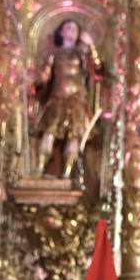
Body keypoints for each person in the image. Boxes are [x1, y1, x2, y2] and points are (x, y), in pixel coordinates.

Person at [33, 19, 103, 178]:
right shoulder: (54, 54)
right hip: (57, 97)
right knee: (49, 131)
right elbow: (43, 76)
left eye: (75, 29)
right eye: (68, 28)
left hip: (77, 98)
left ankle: (67, 172)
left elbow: (97, 68)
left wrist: (91, 46)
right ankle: (40, 166)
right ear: (61, 32)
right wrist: (37, 80)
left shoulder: (82, 53)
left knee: (75, 134)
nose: (71, 31)